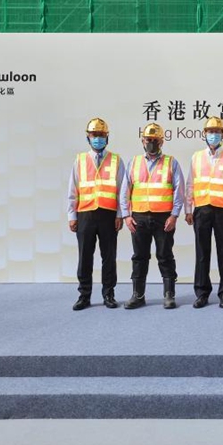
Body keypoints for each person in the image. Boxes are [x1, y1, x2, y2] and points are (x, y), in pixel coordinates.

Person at [121, 122, 185, 310]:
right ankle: (138, 295)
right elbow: (125, 190)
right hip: (139, 218)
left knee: (165, 256)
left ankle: (169, 295)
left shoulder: (171, 162)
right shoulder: (134, 162)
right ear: (142, 141)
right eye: (148, 139)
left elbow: (179, 191)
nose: (151, 143)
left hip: (163, 219)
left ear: (162, 142)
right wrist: (126, 216)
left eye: (155, 140)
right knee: (139, 257)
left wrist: (174, 216)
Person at [68, 117, 125, 311]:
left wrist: (120, 214)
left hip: (108, 215)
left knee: (109, 257)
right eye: (94, 135)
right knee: (85, 257)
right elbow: (73, 190)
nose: (98, 139)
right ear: (88, 138)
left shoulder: (116, 160)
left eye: (101, 135)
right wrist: (72, 216)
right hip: (85, 214)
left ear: (107, 137)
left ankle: (109, 294)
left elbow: (122, 190)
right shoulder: (80, 160)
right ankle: (84, 295)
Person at [185, 117, 223, 309]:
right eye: (210, 131)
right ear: (204, 134)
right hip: (202, 209)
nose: (213, 135)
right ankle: (202, 293)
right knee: (202, 253)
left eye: (217, 131)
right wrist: (188, 209)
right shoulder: (196, 157)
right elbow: (190, 184)